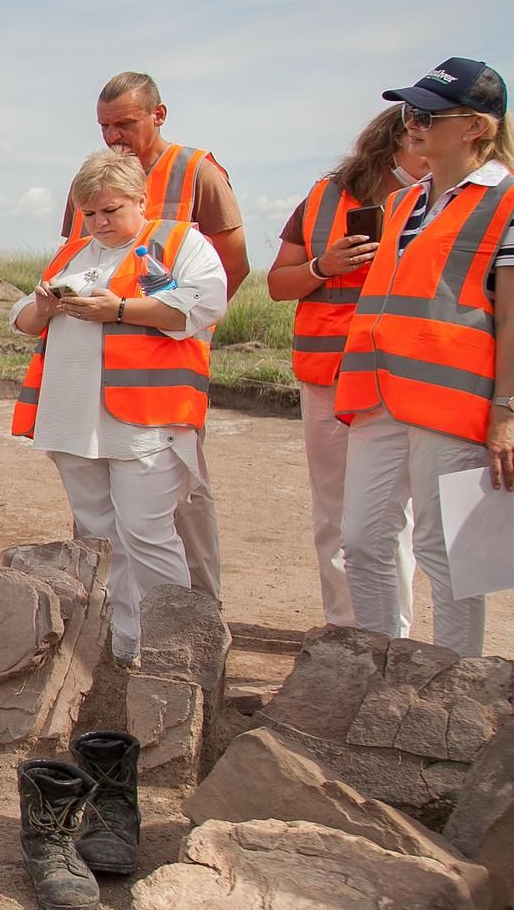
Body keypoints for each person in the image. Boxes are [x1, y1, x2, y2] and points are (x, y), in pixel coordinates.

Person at [10, 150, 227, 663]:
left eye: (111, 210)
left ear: (140, 200)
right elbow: (23, 318)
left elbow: (200, 305)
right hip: (72, 416)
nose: (99, 222)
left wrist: (120, 310)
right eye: (89, 213)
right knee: (99, 537)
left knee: (148, 533)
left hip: (146, 420)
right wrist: (43, 305)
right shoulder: (73, 254)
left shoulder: (178, 242)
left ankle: (168, 653)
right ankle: (121, 647)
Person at [337, 57, 514, 658]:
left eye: (432, 114)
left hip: (453, 402)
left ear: (477, 128)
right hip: (378, 395)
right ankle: (382, 672)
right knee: (361, 540)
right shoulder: (405, 204)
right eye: (412, 112)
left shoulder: (507, 200)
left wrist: (506, 410)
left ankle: (453, 694)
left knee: (453, 554)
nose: (414, 123)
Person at [70, 72, 247, 601]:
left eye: (125, 123)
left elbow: (229, 266)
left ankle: (196, 617)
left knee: (179, 501)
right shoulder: (93, 179)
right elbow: (79, 258)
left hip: (167, 366)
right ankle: (114, 622)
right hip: (100, 371)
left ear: (158, 115)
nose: (114, 137)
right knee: (105, 510)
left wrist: (167, 322)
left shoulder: (197, 171)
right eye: (105, 126)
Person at [266, 109, 425, 629]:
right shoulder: (324, 196)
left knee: (397, 521)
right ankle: (345, 632)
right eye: (419, 136)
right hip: (331, 376)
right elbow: (278, 283)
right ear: (394, 140)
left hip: (410, 379)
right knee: (336, 514)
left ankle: (392, 641)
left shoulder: (453, 198)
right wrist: (323, 266)